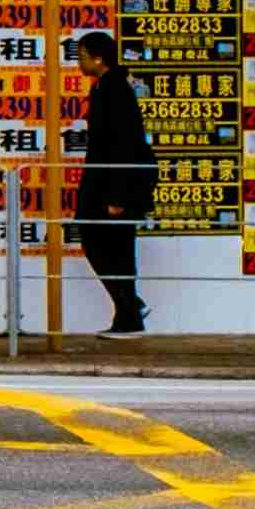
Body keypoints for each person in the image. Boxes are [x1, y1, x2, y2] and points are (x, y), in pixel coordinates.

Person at [72, 27, 158, 337]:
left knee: (111, 247)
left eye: (81, 56)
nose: (78, 63)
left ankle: (129, 315)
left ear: (98, 58)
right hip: (104, 184)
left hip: (114, 187)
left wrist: (118, 197)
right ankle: (129, 308)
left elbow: (123, 144)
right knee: (102, 245)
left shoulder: (114, 90)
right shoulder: (104, 87)